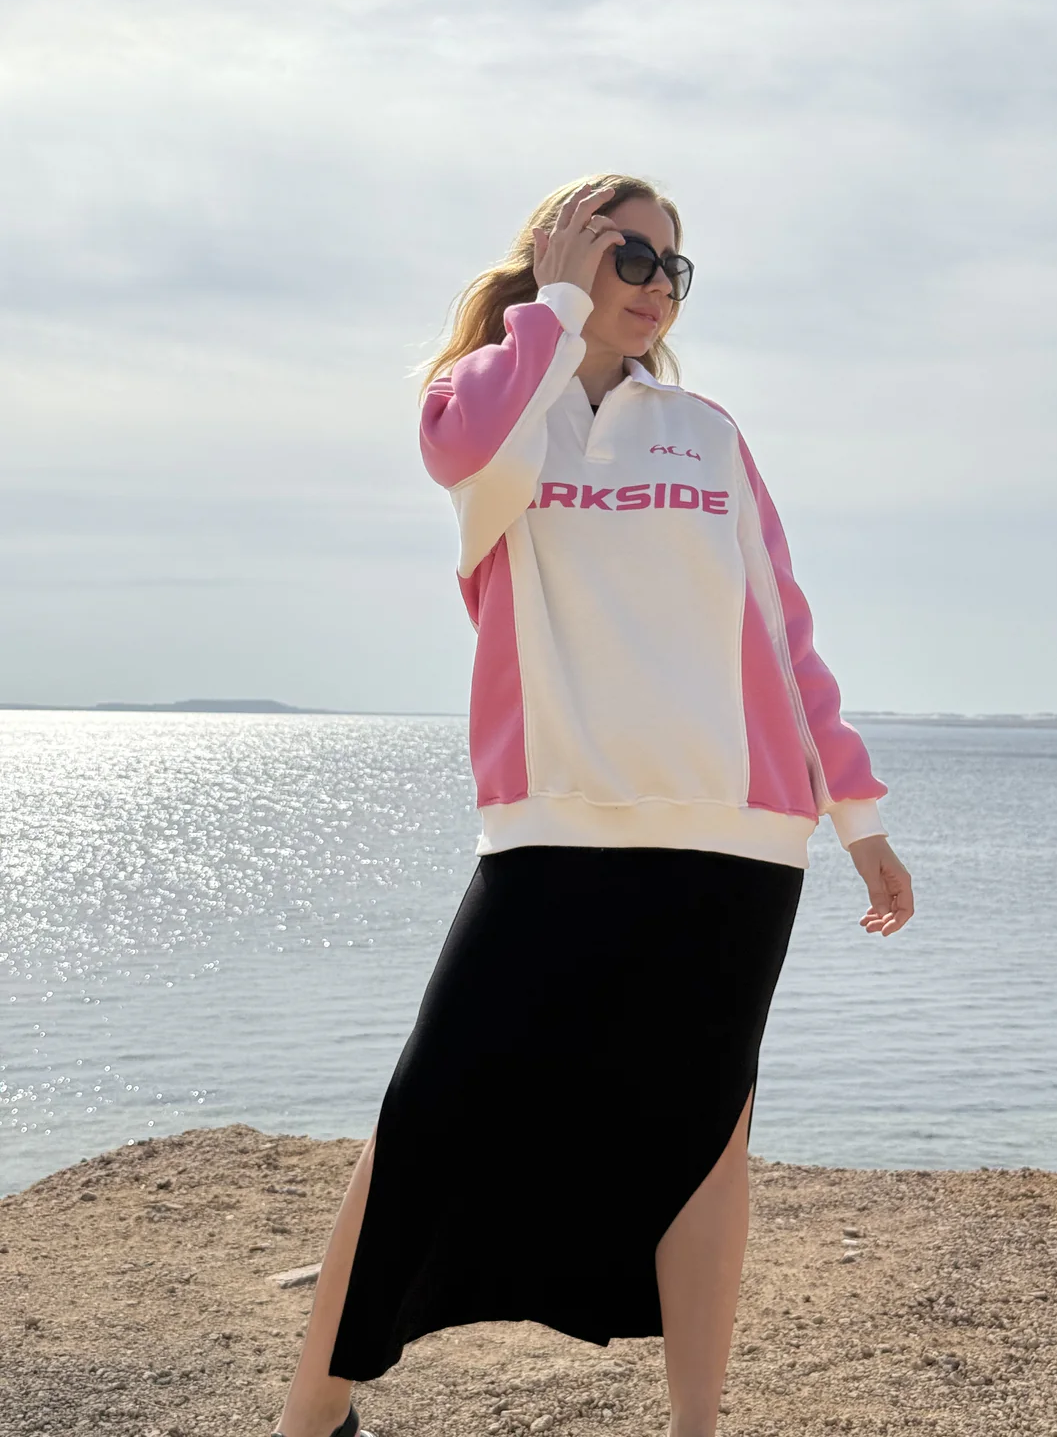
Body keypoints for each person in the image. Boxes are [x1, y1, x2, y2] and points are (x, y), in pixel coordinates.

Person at [270, 173, 915, 1437]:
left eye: (675, 267)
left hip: (738, 834)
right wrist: (553, 310)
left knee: (707, 1140)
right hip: (552, 825)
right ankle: (311, 1418)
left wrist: (859, 813)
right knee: (427, 1115)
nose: (657, 285)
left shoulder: (708, 433)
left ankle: (695, 1430)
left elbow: (784, 634)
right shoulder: (491, 407)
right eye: (632, 255)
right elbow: (465, 450)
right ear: (561, 251)